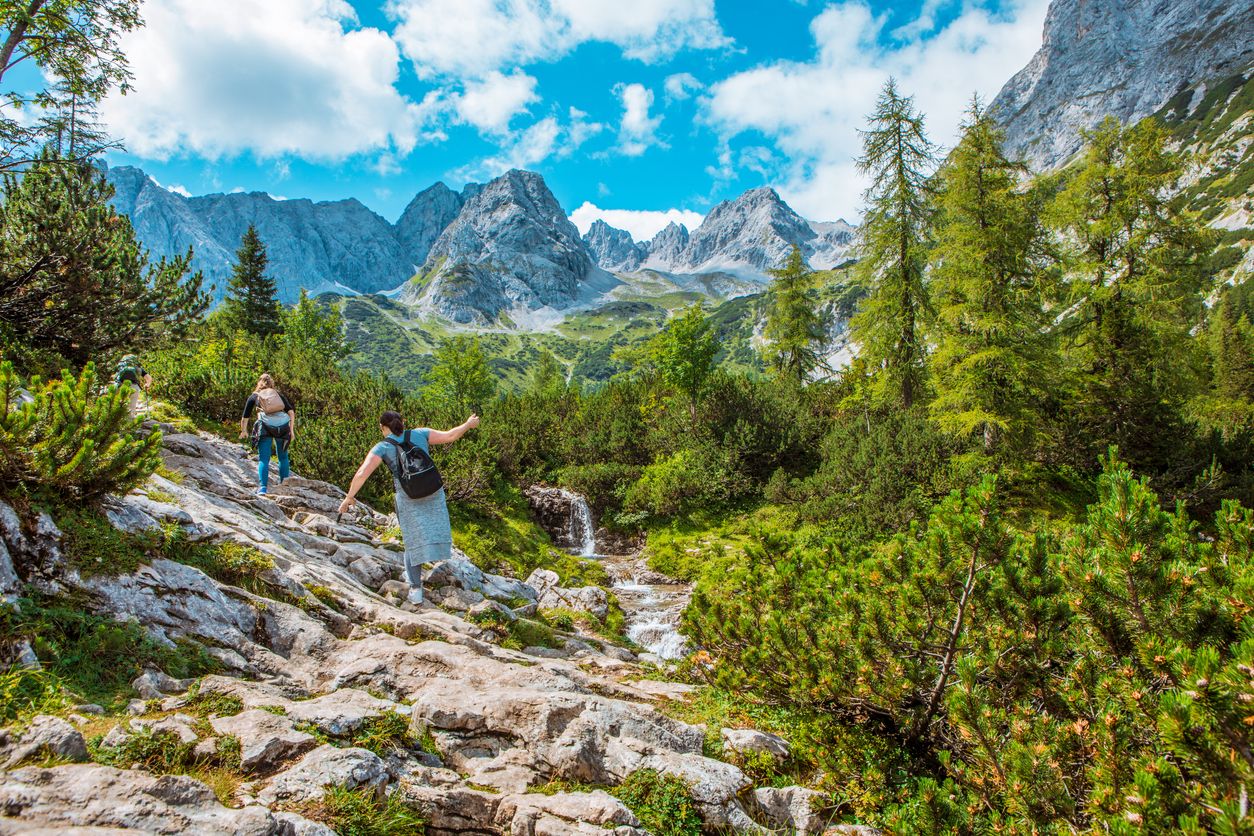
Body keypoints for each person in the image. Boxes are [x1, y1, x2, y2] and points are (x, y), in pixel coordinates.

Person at [337, 410, 479, 605]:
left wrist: (349, 497)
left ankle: (415, 589)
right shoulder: (420, 434)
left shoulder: (382, 447)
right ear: (403, 423)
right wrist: (468, 424)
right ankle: (435, 560)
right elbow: (450, 435)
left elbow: (362, 473)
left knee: (412, 541)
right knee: (432, 529)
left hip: (408, 496)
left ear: (382, 428)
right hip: (432, 490)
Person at [239, 373, 296, 496]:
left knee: (264, 459)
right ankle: (284, 486)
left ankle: (263, 488)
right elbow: (291, 412)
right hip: (282, 427)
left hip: (265, 427)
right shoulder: (278, 395)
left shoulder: (254, 396)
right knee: (283, 457)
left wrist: (244, 430)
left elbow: (245, 417)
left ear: (259, 383)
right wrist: (291, 430)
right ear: (272, 384)